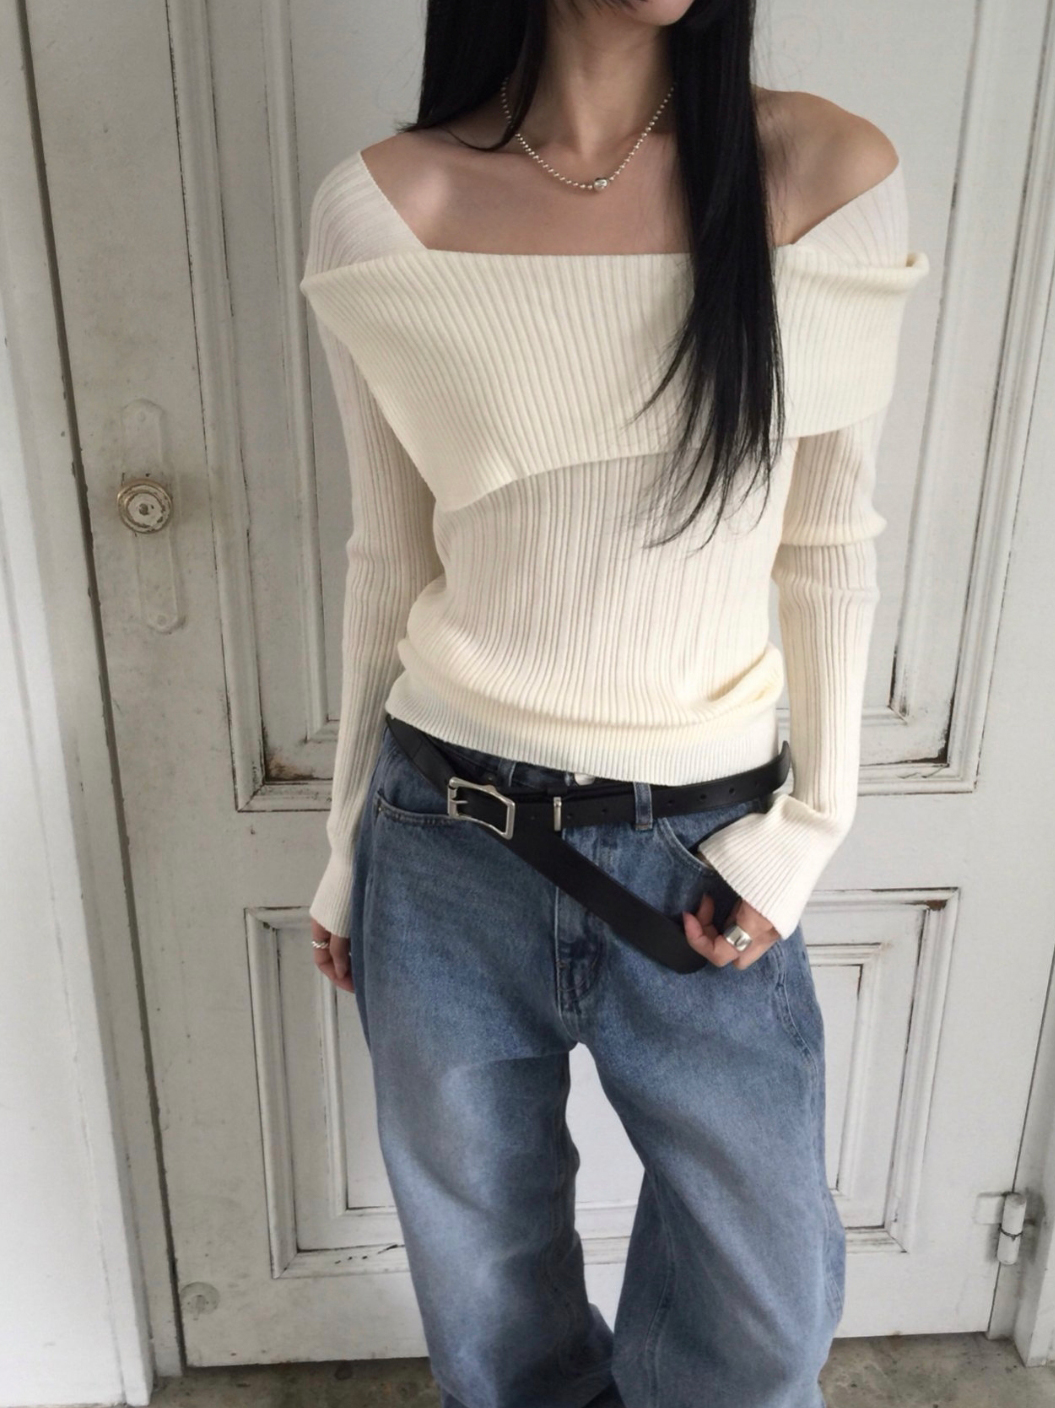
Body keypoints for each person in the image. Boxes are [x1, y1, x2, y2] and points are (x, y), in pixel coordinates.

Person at [299, 3, 928, 1404]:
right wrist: (346, 849)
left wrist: (809, 830)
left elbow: (829, 540)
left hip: (701, 855)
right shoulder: (387, 209)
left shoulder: (821, 176)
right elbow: (386, 559)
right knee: (491, 1313)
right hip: (444, 840)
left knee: (764, 1318)